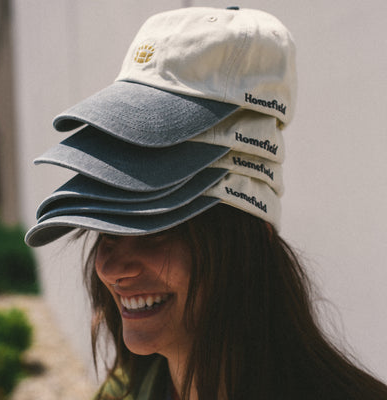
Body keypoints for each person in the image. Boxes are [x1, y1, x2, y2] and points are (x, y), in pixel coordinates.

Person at [25, 6, 387, 400]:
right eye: (108, 230)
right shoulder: (121, 393)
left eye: (157, 226)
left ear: (249, 239)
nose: (112, 269)